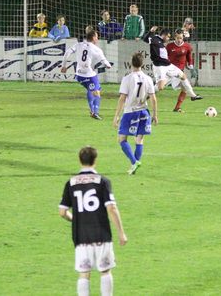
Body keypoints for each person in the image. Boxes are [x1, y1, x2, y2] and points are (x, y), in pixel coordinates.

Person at [59, 146, 127, 296]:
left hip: (81, 236)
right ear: (95, 161)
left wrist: (75, 220)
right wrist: (121, 233)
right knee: (105, 270)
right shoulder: (102, 181)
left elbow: (62, 212)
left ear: (80, 161)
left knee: (84, 273)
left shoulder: (71, 183)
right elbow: (111, 208)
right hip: (101, 234)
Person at [113, 52, 158, 175]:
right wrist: (155, 115)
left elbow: (122, 98)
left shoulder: (127, 78)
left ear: (131, 63)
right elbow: (153, 98)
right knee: (139, 140)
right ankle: (134, 166)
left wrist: (116, 116)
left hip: (130, 112)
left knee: (122, 139)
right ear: (142, 64)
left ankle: (134, 162)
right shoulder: (148, 79)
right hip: (144, 112)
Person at [61, 29, 112, 120]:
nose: (97, 39)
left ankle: (92, 111)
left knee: (91, 89)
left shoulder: (78, 45)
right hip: (89, 75)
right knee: (96, 92)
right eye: (97, 37)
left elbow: (67, 52)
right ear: (93, 37)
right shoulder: (96, 49)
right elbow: (104, 61)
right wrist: (108, 65)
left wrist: (64, 66)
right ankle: (95, 112)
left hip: (79, 75)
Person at [143, 26, 202, 101]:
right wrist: (151, 32)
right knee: (160, 87)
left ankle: (193, 96)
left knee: (183, 76)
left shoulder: (161, 41)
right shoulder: (155, 39)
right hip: (160, 66)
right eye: (168, 36)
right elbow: (145, 39)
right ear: (164, 35)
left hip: (168, 65)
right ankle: (145, 96)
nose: (168, 39)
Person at [166, 29, 198, 112]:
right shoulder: (169, 46)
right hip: (169, 72)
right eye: (177, 38)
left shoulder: (187, 46)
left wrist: (191, 68)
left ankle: (177, 107)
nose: (179, 40)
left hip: (179, 72)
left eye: (180, 38)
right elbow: (164, 58)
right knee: (158, 87)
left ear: (183, 37)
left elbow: (189, 58)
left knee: (184, 88)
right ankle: (143, 99)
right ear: (175, 37)